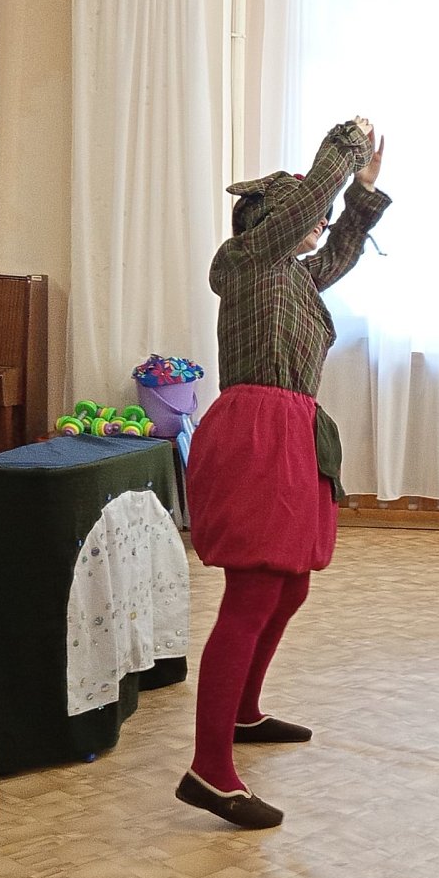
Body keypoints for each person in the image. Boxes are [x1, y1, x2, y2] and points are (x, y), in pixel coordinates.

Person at [179, 117, 387, 829]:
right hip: (257, 431)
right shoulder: (248, 259)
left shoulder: (293, 274)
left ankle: (241, 714)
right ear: (271, 220)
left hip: (291, 430)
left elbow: (339, 250)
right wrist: (345, 144)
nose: (316, 223)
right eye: (308, 213)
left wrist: (361, 193)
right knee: (254, 590)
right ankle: (208, 770)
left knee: (289, 583)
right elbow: (304, 213)